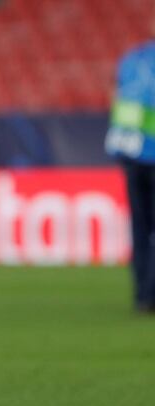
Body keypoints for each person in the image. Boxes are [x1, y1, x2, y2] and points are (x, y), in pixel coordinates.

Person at [106, 22, 155, 314]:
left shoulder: (132, 59)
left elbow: (115, 98)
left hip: (131, 153)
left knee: (139, 226)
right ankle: (151, 292)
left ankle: (141, 294)